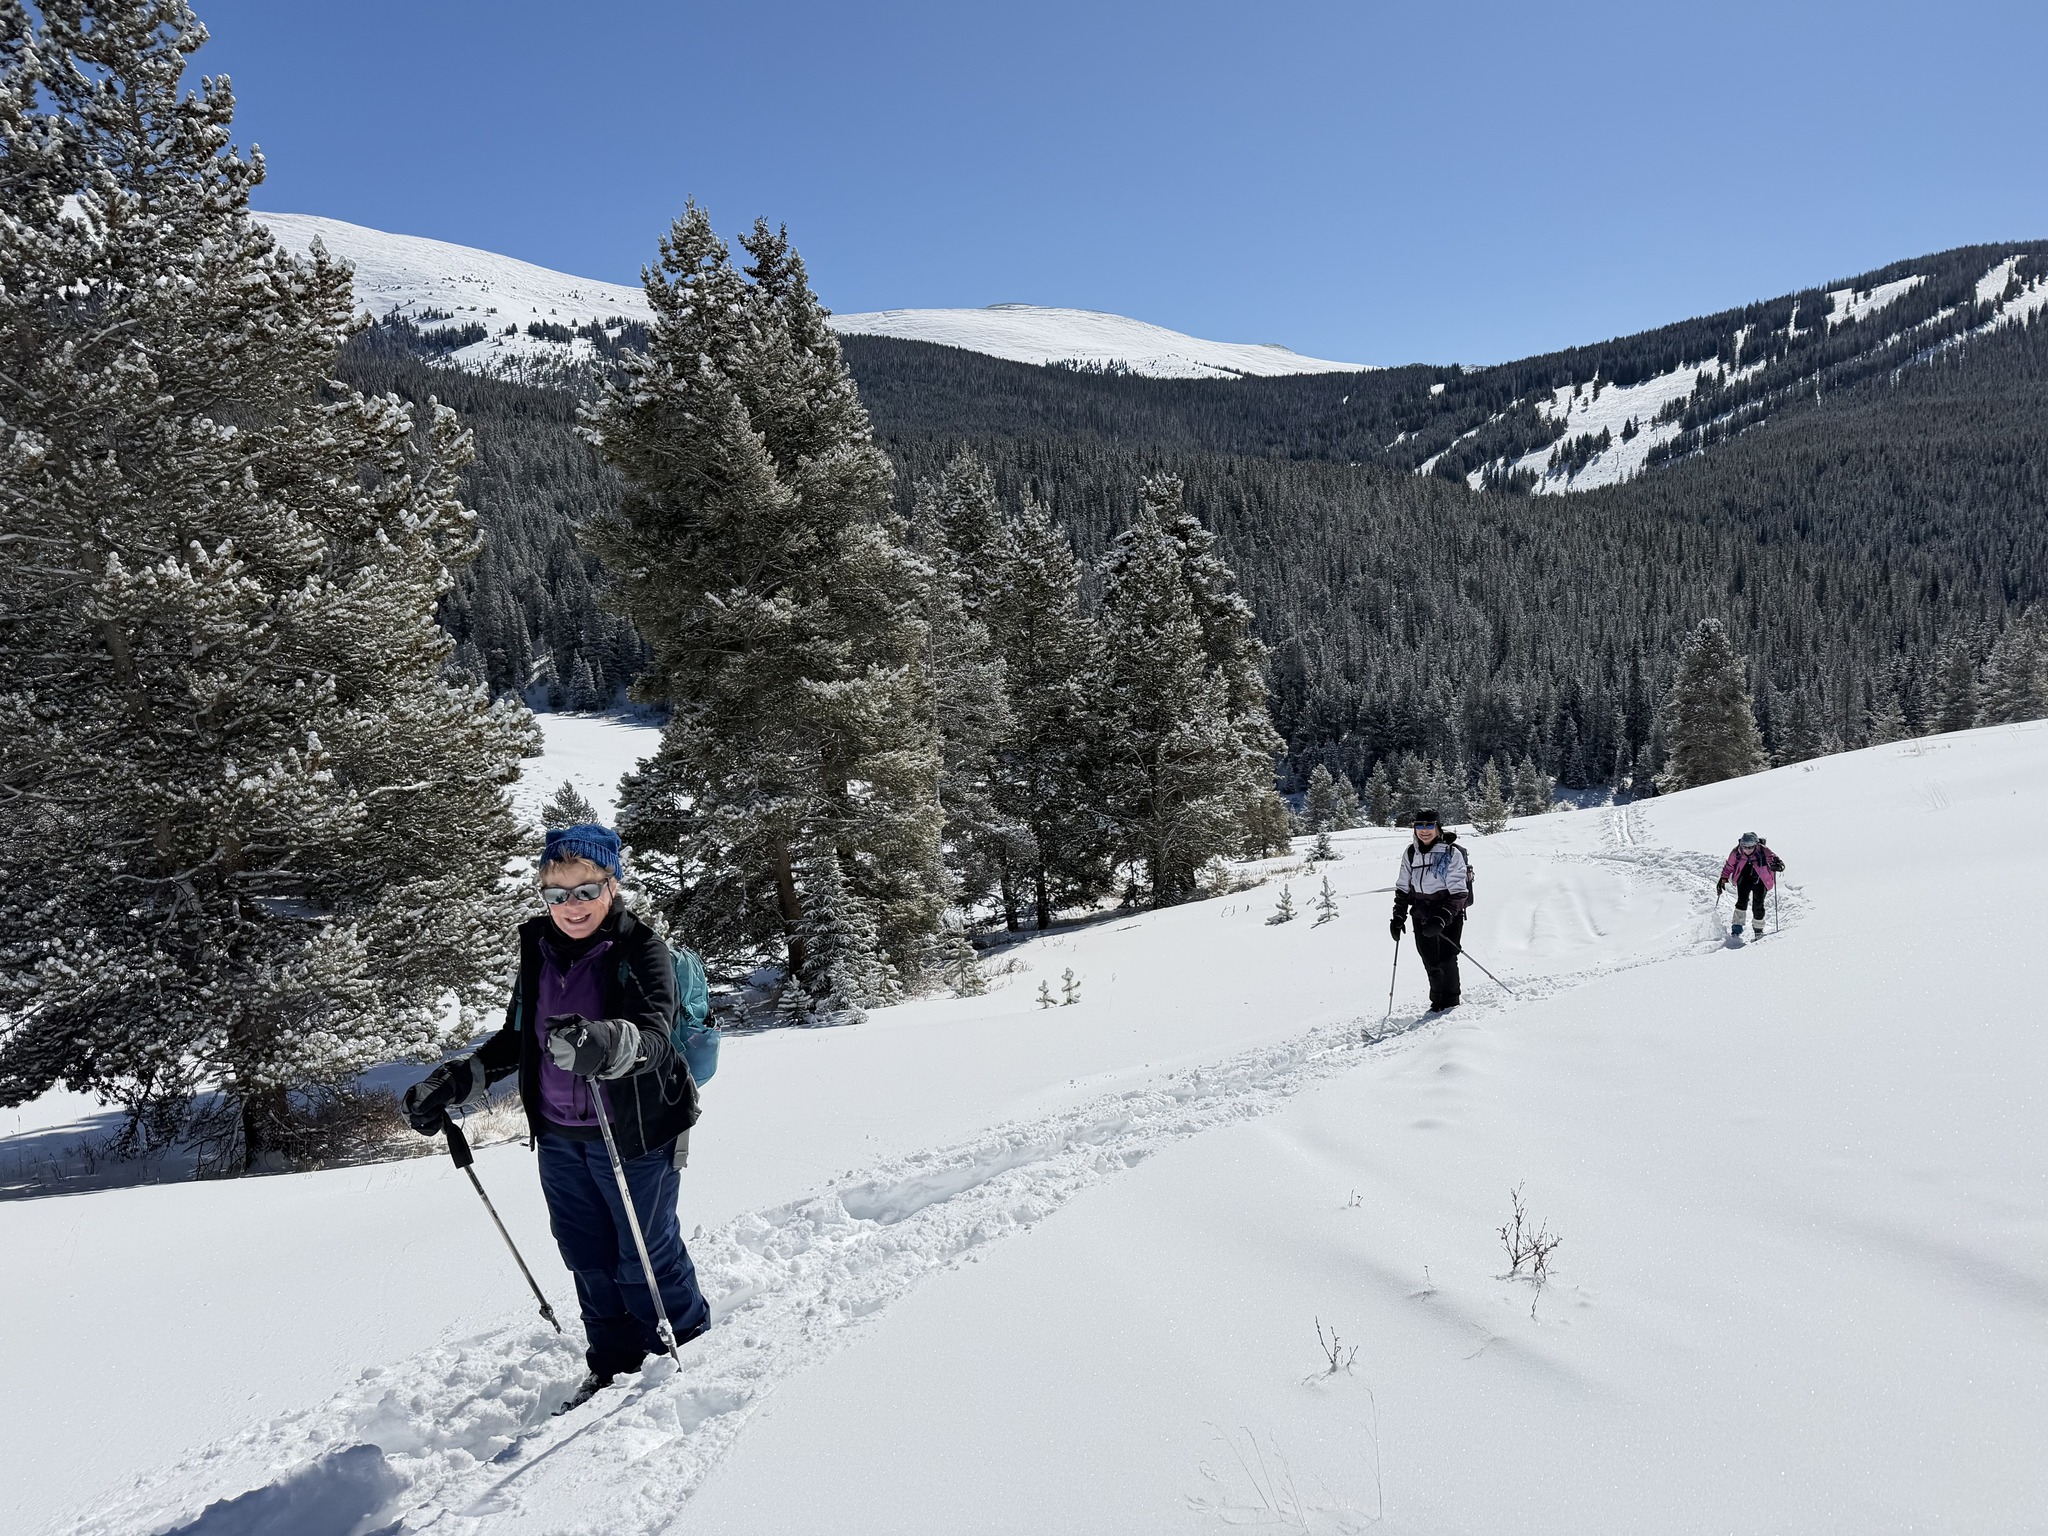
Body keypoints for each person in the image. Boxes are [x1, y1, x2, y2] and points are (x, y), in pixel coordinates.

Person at [403, 822, 709, 1412]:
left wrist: (605, 1042)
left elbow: (654, 1037)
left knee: (644, 1255)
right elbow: (516, 1040)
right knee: (586, 1255)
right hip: (560, 1137)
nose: (572, 905)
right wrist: (455, 1081)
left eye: (586, 890)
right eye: (557, 893)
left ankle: (684, 1356)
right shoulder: (538, 951)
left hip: (637, 1133)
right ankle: (613, 1366)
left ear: (612, 885)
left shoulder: (642, 950)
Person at [1389, 807, 1471, 1013]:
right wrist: (1398, 916)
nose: (1424, 830)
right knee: (1429, 958)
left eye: (1429, 825)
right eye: (1419, 826)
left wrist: (1442, 918)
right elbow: (1403, 887)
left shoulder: (1451, 853)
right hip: (1421, 912)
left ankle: (1451, 1003)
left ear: (1438, 827)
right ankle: (1437, 1002)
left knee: (1446, 958)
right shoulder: (1411, 853)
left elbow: (1460, 892)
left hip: (1448, 911)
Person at [1717, 831, 1785, 940]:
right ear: (1741, 845)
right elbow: (1729, 865)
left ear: (1756, 845)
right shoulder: (1736, 852)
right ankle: (1736, 928)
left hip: (1761, 880)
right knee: (1741, 902)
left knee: (1758, 904)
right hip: (1743, 879)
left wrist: (1778, 865)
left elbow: (1774, 859)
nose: (1748, 849)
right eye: (1745, 847)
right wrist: (1723, 878)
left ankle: (1758, 930)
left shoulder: (1763, 850)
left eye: (1751, 847)